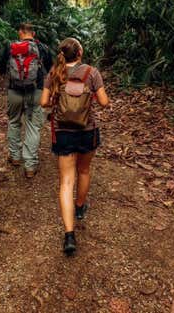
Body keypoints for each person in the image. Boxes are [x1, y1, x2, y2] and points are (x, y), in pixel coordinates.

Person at [40, 37, 109, 255]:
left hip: (63, 133)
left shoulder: (54, 72)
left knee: (66, 182)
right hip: (86, 131)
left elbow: (43, 102)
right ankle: (80, 207)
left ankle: (69, 235)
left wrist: (58, 98)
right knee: (84, 170)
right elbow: (104, 102)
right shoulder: (91, 72)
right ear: (79, 53)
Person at [0, 23, 52, 178]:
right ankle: (30, 165)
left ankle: (15, 157)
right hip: (36, 91)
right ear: (33, 33)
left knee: (14, 121)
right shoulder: (42, 48)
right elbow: (49, 69)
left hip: (14, 90)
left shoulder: (10, 47)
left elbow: (1, 69)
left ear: (20, 33)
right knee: (33, 126)